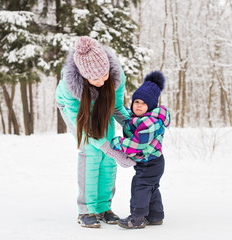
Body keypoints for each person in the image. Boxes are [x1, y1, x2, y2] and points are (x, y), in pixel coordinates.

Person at [55, 36, 136, 228]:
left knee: (109, 157)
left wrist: (134, 130)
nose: (101, 81)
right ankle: (86, 209)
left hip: (100, 106)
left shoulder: (116, 76)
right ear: (84, 76)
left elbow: (116, 107)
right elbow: (83, 126)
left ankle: (103, 207)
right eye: (94, 78)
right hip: (76, 112)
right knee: (92, 152)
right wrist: (108, 148)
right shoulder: (70, 87)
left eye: (104, 75)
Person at [110, 71, 171, 229]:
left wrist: (119, 142)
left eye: (143, 103)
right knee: (151, 187)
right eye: (136, 101)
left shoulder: (150, 123)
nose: (138, 105)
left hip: (151, 163)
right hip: (152, 161)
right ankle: (156, 215)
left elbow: (138, 144)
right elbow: (129, 117)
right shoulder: (140, 118)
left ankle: (138, 217)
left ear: (150, 107)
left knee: (140, 186)